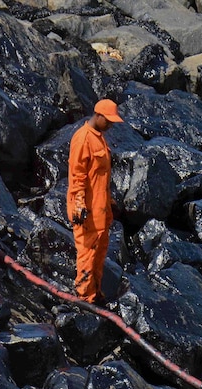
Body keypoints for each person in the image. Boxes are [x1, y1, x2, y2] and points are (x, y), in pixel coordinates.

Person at [67, 99, 123, 305]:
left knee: (99, 253)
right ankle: (84, 296)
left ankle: (95, 293)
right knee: (87, 253)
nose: (110, 125)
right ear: (98, 116)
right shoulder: (83, 139)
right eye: (108, 121)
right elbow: (77, 176)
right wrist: (80, 204)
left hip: (100, 209)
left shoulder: (99, 138)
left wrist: (110, 202)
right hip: (87, 211)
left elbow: (99, 177)